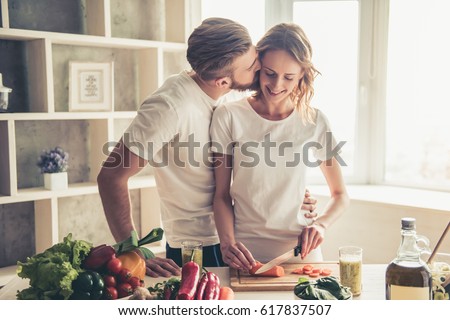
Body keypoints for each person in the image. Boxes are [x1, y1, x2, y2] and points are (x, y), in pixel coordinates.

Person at [97, 18, 317, 277]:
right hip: (198, 244)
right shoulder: (169, 107)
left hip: (238, 236)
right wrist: (131, 250)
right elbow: (111, 176)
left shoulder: (225, 90)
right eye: (251, 65)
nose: (259, 67)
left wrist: (292, 195)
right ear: (223, 81)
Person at [210, 23, 349, 271]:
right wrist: (227, 243)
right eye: (270, 73)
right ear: (258, 69)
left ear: (302, 76)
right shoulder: (228, 115)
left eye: (289, 77)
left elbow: (340, 195)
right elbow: (221, 195)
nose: (276, 85)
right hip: (245, 254)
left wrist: (321, 225)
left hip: (301, 252)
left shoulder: (314, 121)